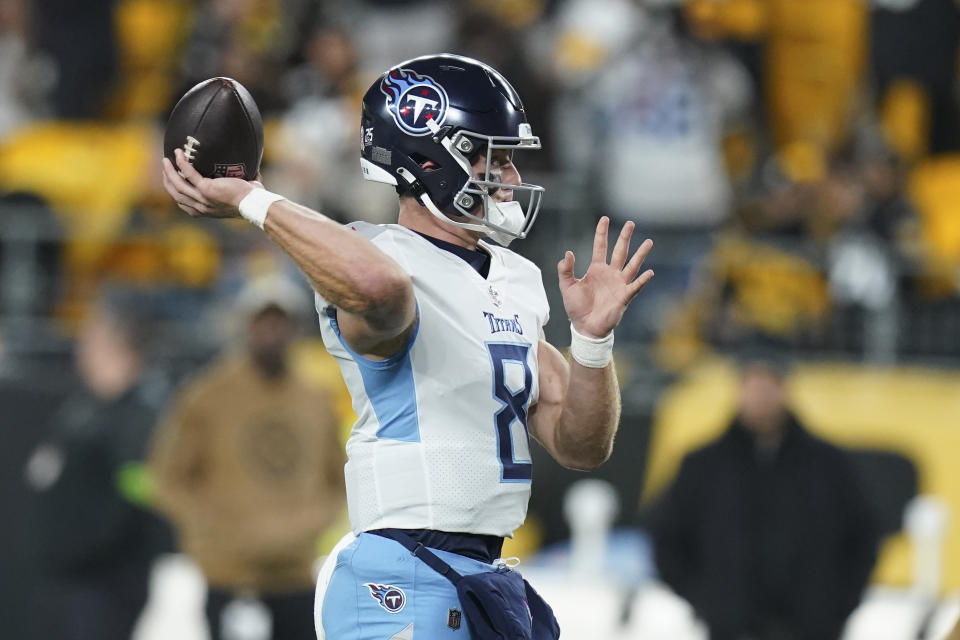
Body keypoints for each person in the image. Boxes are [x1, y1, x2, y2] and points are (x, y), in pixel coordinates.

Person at [161, 53, 655, 639]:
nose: (512, 179)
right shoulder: (372, 256)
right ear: (431, 159)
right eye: (491, 157)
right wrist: (254, 199)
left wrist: (592, 343)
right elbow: (380, 287)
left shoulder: (513, 281)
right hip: (401, 572)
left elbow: (581, 444)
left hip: (482, 573)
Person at [148, 274, 345, 640]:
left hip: (295, 572)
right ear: (245, 325)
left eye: (280, 321)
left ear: (295, 328)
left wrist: (311, 523)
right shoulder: (206, 395)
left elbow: (338, 478)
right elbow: (169, 475)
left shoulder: (316, 400)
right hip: (228, 574)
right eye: (262, 319)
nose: (271, 330)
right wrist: (211, 528)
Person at [648, 355, 880, 640]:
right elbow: (666, 535)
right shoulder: (703, 464)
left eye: (769, 385)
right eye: (753, 385)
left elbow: (864, 534)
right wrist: (708, 601)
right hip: (731, 629)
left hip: (812, 629)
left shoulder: (828, 464)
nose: (761, 396)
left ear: (785, 389)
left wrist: (838, 603)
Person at [24, 293, 170, 640]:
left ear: (120, 347)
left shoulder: (140, 417)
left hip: (108, 582)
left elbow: (138, 496)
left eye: (93, 340)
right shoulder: (82, 409)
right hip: (67, 578)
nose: (82, 349)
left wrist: (86, 551)